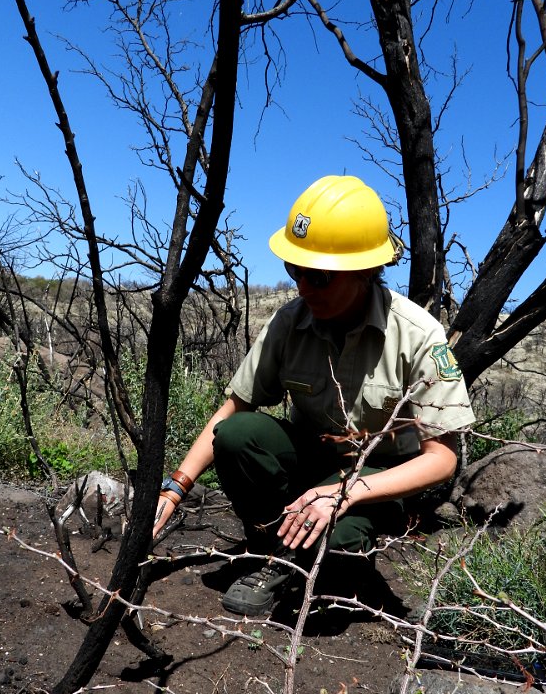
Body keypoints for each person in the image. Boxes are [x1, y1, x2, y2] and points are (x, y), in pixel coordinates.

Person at [154, 175, 475, 616]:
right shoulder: (290, 323)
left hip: (375, 479)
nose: (303, 287)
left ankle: (304, 557)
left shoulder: (418, 335)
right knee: (236, 434)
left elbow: (442, 459)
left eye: (320, 276)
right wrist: (174, 489)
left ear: (364, 272)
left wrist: (346, 492)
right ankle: (270, 543)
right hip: (308, 460)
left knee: (342, 541)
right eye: (295, 270)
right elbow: (234, 408)